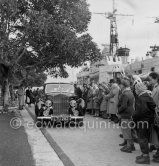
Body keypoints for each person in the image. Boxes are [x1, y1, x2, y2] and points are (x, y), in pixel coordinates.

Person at [133, 82, 156, 164]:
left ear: (138, 89)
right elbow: (152, 107)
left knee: (142, 139)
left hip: (142, 121)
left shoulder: (141, 98)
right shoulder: (147, 96)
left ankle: (146, 157)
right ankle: (144, 154)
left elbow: (140, 112)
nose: (135, 91)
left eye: (135, 89)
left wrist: (133, 116)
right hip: (147, 121)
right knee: (144, 138)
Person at [118, 78, 135, 153]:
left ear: (123, 85)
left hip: (125, 114)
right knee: (129, 130)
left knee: (126, 130)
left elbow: (124, 105)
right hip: (130, 113)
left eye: (121, 85)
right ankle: (131, 145)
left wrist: (118, 111)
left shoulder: (125, 94)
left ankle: (129, 147)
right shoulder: (130, 92)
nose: (120, 86)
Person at [149, 72, 159, 163]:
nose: (150, 81)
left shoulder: (158, 88)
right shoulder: (155, 87)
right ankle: (156, 149)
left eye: (151, 79)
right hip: (155, 113)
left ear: (155, 78)